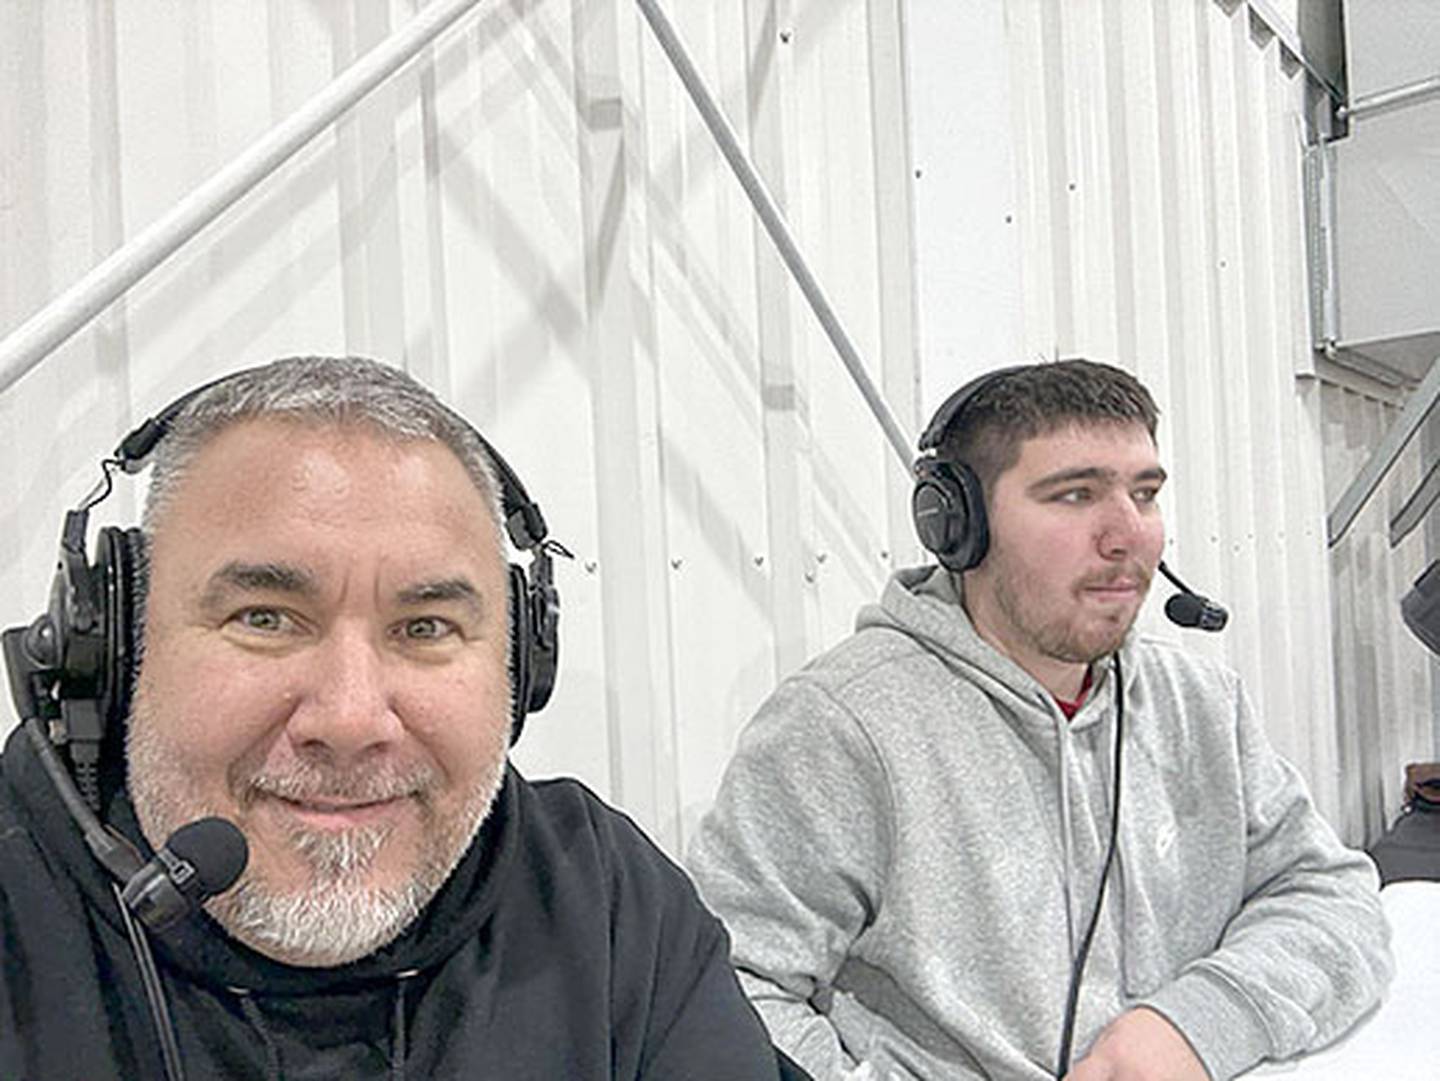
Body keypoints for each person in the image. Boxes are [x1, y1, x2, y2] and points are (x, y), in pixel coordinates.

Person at [0, 356, 792, 1080]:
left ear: (521, 667)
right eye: (265, 617)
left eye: (424, 628)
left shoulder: (602, 904)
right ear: (115, 644)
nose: (349, 718)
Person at [687, 360, 1392, 1080]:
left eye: (1144, 494)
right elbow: (721, 993)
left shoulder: (1199, 701)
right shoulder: (840, 727)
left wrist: (1196, 1023)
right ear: (958, 525)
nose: (1128, 535)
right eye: (1076, 494)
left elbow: (1331, 895)